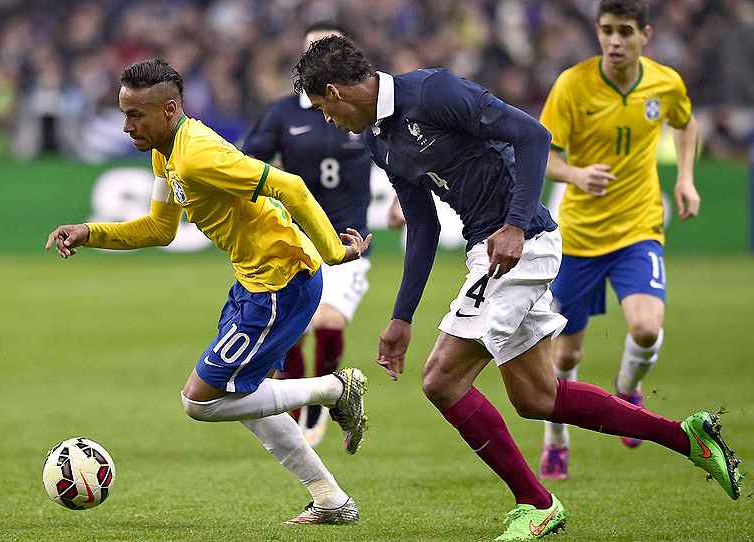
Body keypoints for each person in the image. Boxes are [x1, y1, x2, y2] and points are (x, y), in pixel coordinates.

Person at [293, 35, 741, 541]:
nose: (327, 120)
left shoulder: (434, 91)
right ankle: (688, 438)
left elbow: (532, 136)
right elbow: (422, 225)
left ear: (336, 92)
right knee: (536, 396)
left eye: (323, 108)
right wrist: (402, 316)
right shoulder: (380, 141)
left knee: (441, 379)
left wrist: (516, 224)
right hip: (488, 249)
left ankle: (537, 503)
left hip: (521, 244)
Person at [46, 59, 371, 525]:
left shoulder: (197, 154)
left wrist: (334, 252)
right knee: (243, 396)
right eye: (123, 113)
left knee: (199, 401)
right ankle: (330, 500)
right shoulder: (166, 150)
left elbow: (292, 187)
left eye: (136, 115)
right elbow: (160, 228)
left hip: (281, 281)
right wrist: (90, 232)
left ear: (169, 109)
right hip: (255, 280)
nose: (126, 126)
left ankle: (335, 389)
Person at [537, 0, 702, 479]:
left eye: (625, 31)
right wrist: (576, 174)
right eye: (607, 30)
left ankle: (627, 389)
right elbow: (544, 154)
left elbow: (685, 123)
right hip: (579, 237)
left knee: (647, 328)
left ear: (644, 35)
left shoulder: (664, 83)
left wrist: (685, 178)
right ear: (598, 31)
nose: (614, 40)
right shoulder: (572, 85)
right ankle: (556, 437)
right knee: (565, 355)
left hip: (638, 229)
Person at [241, 21, 373, 447]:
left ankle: (322, 400)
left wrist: (399, 200)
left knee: (328, 322)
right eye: (313, 48)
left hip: (348, 241)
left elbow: (397, 155)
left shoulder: (364, 107)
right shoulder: (281, 113)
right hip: (294, 244)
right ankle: (300, 409)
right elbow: (247, 164)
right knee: (293, 332)